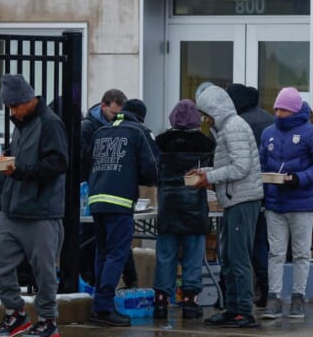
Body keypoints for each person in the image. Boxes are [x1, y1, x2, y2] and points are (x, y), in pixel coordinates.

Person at [0, 74, 68, 337]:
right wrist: (4, 163)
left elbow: (58, 163)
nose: (13, 112)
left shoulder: (50, 124)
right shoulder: (20, 123)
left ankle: (48, 320)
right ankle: (16, 313)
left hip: (41, 211)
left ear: (27, 100)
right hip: (12, 209)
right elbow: (21, 161)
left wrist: (20, 171)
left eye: (15, 106)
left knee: (44, 271)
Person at [190, 85, 264, 328]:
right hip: (235, 199)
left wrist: (209, 178)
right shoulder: (228, 128)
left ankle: (244, 310)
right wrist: (205, 172)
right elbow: (233, 165)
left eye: (205, 112)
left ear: (214, 109)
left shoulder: (233, 127)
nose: (203, 118)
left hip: (242, 200)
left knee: (239, 257)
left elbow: (240, 167)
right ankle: (233, 309)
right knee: (230, 258)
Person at [259, 87, 313, 319]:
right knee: (275, 253)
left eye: (283, 109)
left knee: (301, 252)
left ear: (293, 110)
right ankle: (274, 298)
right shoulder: (268, 133)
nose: (278, 113)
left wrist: (299, 178)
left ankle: (298, 298)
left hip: (301, 202)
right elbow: (261, 164)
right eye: (276, 108)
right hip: (274, 202)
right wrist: (264, 183)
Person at [86, 100, 159, 327]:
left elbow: (86, 161)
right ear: (141, 117)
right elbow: (152, 169)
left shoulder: (101, 131)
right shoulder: (140, 132)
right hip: (120, 202)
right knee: (117, 254)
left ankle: (100, 303)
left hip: (96, 200)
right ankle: (104, 308)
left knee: (102, 253)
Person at [152, 99, 216, 320]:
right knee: (192, 256)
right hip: (194, 208)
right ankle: (190, 301)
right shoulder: (206, 144)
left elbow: (152, 172)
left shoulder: (160, 142)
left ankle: (161, 300)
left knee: (165, 255)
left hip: (168, 206)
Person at [79, 89, 138, 290]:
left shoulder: (117, 127)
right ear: (103, 106)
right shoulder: (89, 128)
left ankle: (121, 284)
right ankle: (98, 289)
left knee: (110, 246)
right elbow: (84, 162)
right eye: (113, 114)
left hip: (106, 195)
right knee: (105, 247)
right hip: (94, 192)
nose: (116, 119)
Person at [226, 83, 273, 307]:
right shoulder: (267, 119)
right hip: (268, 188)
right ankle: (266, 290)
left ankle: (240, 298)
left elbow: (240, 162)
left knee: (246, 246)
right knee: (263, 243)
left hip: (246, 191)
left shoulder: (240, 123)